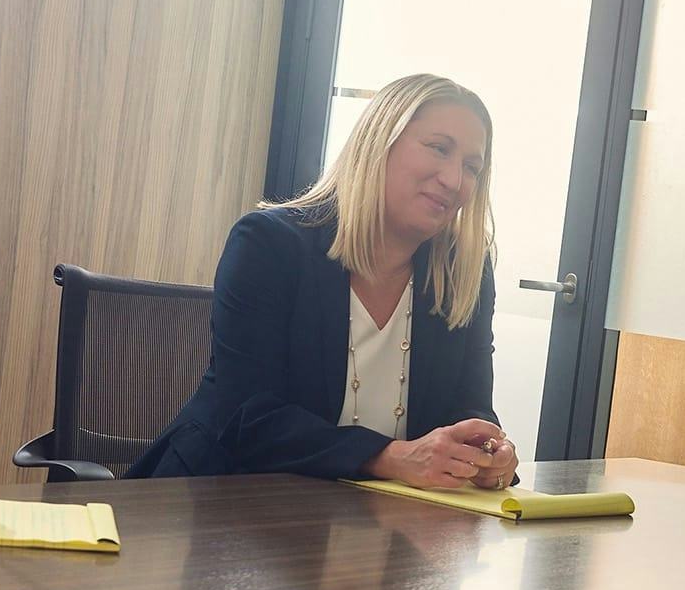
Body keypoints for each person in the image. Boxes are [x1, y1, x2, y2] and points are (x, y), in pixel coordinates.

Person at [130, 73, 519, 488]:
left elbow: (470, 407)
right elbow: (247, 417)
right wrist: (391, 458)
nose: (454, 180)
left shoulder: (465, 272)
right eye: (439, 148)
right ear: (378, 143)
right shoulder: (268, 244)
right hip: (225, 503)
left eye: (472, 167)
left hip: (383, 522)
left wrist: (486, 453)